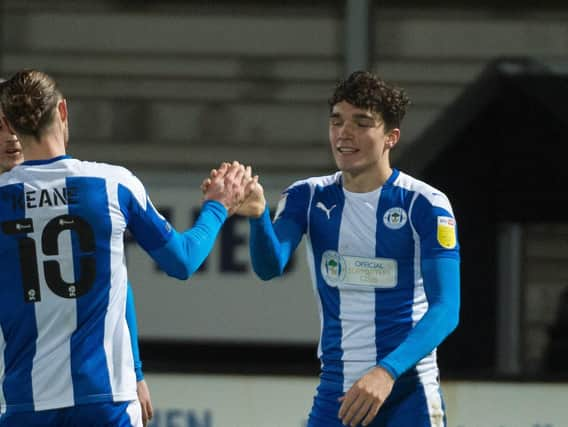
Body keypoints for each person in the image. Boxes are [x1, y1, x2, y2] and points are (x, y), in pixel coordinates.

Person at [0, 69, 250, 426]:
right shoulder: (113, 184)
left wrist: (135, 370)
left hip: (27, 402)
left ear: (11, 124)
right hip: (107, 399)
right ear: (64, 111)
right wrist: (218, 206)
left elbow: (117, 284)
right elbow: (183, 260)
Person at [211, 71, 461, 426]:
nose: (345, 132)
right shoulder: (306, 196)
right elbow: (269, 267)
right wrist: (257, 218)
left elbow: (447, 308)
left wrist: (385, 372)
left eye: (361, 123)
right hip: (338, 394)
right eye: (337, 121)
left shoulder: (424, 204)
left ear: (391, 137)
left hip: (408, 392)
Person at [0, 83, 154, 425]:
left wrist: (136, 373)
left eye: (10, 124)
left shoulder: (68, 191)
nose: (10, 137)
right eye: (1, 128)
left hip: (46, 395)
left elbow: (116, 285)